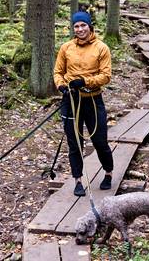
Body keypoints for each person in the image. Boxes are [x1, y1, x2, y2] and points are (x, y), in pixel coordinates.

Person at [53, 11, 114, 197]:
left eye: (83, 25)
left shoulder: (101, 48)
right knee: (74, 142)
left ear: (90, 26)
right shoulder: (66, 48)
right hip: (71, 100)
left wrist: (85, 81)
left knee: (99, 140)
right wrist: (62, 86)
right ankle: (78, 180)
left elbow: (106, 75)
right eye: (76, 26)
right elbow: (58, 72)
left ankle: (108, 173)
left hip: (93, 100)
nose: (80, 29)